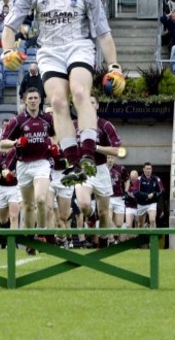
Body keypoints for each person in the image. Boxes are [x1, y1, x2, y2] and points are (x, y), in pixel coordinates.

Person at [2, 0, 122, 186]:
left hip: (79, 45)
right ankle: (72, 160)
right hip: (50, 50)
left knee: (79, 92)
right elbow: (10, 26)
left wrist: (114, 66)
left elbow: (103, 33)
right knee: (56, 101)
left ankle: (88, 152)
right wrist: (7, 50)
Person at [0, 87, 54, 253]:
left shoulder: (47, 119)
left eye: (35, 97)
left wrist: (53, 145)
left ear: (40, 100)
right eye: (29, 98)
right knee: (29, 206)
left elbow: (56, 135)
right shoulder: (17, 121)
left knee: (41, 200)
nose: (32, 100)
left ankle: (42, 234)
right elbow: (3, 143)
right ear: (25, 100)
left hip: (42, 163)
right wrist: (15, 143)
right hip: (23, 165)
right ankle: (30, 240)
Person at [73, 97, 123, 248]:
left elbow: (116, 150)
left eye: (92, 102)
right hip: (82, 168)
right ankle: (90, 214)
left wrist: (96, 147)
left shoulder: (105, 125)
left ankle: (102, 240)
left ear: (97, 106)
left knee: (103, 212)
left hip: (100, 169)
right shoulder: (74, 125)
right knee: (83, 204)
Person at [131, 162, 163, 228]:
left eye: (150, 169)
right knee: (140, 224)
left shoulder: (156, 179)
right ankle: (142, 236)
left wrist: (154, 194)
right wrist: (146, 196)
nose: (148, 170)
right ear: (143, 169)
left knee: (152, 220)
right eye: (147, 169)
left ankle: (153, 236)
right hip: (141, 204)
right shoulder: (139, 179)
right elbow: (135, 192)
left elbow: (161, 190)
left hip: (152, 203)